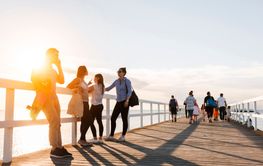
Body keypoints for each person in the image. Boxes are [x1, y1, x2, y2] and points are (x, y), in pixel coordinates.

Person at [28, 48, 72, 158]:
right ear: (49, 55)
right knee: (54, 120)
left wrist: (59, 66)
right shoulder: (39, 67)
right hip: (45, 98)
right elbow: (33, 78)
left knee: (58, 122)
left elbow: (62, 80)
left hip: (54, 98)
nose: (57, 57)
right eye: (56, 55)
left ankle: (59, 147)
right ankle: (54, 149)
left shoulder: (53, 70)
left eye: (58, 55)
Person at [67, 66, 93, 146]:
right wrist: (76, 88)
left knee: (85, 121)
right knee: (89, 120)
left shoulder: (83, 80)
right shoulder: (78, 79)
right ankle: (82, 139)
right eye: (86, 69)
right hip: (82, 102)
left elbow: (84, 89)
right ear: (83, 71)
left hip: (86, 102)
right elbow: (68, 86)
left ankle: (83, 139)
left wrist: (88, 86)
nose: (87, 71)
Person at [105, 67, 132, 142]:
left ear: (124, 73)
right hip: (118, 102)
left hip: (125, 102)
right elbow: (108, 88)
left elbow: (129, 92)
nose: (118, 73)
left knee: (124, 119)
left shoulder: (127, 81)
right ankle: (111, 135)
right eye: (118, 72)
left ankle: (123, 136)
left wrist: (127, 100)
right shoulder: (116, 81)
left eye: (120, 72)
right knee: (113, 118)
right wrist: (98, 87)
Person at [88, 74, 105, 144]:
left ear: (97, 78)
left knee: (90, 122)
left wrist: (88, 83)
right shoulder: (103, 86)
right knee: (99, 122)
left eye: (95, 77)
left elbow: (86, 89)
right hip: (100, 105)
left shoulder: (94, 86)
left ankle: (95, 138)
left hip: (94, 106)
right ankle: (100, 138)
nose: (94, 78)